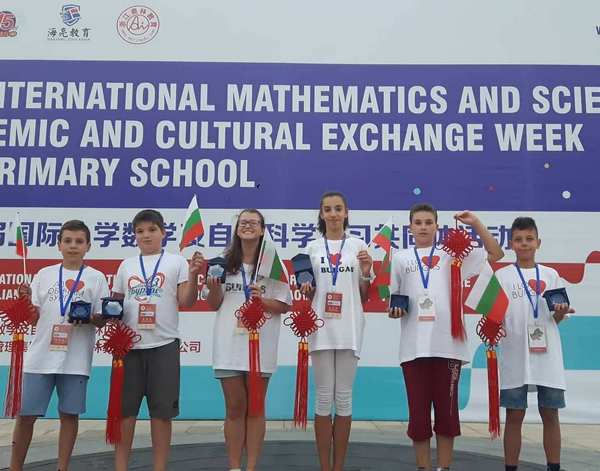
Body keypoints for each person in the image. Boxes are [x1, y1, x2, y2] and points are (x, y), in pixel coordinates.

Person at [389, 203, 504, 471]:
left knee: (447, 415)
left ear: (437, 226)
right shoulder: (401, 258)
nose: (423, 227)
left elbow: (496, 254)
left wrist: (475, 223)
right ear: (410, 227)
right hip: (413, 349)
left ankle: (444, 467)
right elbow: (395, 299)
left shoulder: (454, 254)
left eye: (428, 222)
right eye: (418, 223)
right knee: (418, 417)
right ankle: (423, 467)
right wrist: (394, 311)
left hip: (449, 348)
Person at [9, 220, 109, 471]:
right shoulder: (44, 274)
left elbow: (102, 319)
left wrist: (88, 318)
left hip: (76, 359)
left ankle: (62, 468)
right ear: (59, 245)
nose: (73, 246)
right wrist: (25, 301)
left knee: (69, 415)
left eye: (79, 241)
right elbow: (33, 318)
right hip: (40, 358)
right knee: (26, 415)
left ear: (88, 246)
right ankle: (15, 467)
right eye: (68, 241)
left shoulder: (96, 278)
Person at [111, 209, 203, 471]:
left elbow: (186, 301)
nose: (146, 235)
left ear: (163, 232)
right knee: (125, 413)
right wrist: (107, 317)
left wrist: (194, 275)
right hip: (128, 347)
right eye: (140, 231)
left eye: (152, 230)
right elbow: (115, 304)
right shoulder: (126, 265)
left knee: (162, 414)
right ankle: (120, 467)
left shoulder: (177, 262)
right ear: (134, 236)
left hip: (164, 346)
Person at [202, 209, 292, 471]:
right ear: (237, 229)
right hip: (228, 346)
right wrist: (214, 287)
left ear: (262, 229)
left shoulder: (272, 264)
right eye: (243, 222)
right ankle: (234, 467)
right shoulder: (222, 264)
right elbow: (213, 303)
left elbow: (284, 305)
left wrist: (261, 300)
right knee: (234, 407)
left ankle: (251, 466)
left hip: (260, 346)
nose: (248, 226)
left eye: (254, 222)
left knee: (255, 409)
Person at [299, 191, 373, 471]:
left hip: (350, 328)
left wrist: (366, 270)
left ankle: (338, 466)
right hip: (320, 329)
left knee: (343, 398)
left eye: (338, 208)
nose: (333, 214)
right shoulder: (311, 248)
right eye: (328, 209)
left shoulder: (358, 246)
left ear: (346, 212)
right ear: (321, 214)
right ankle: (324, 467)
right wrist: (306, 288)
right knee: (323, 397)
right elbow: (309, 292)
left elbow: (364, 294)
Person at [495, 217, 574, 471]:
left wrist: (561, 312)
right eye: (519, 239)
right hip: (514, 354)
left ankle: (554, 466)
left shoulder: (551, 275)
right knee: (514, 414)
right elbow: (493, 316)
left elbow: (557, 318)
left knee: (550, 413)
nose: (524, 244)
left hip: (547, 356)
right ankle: (510, 467)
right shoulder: (501, 276)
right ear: (511, 244)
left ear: (538, 242)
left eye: (529, 239)